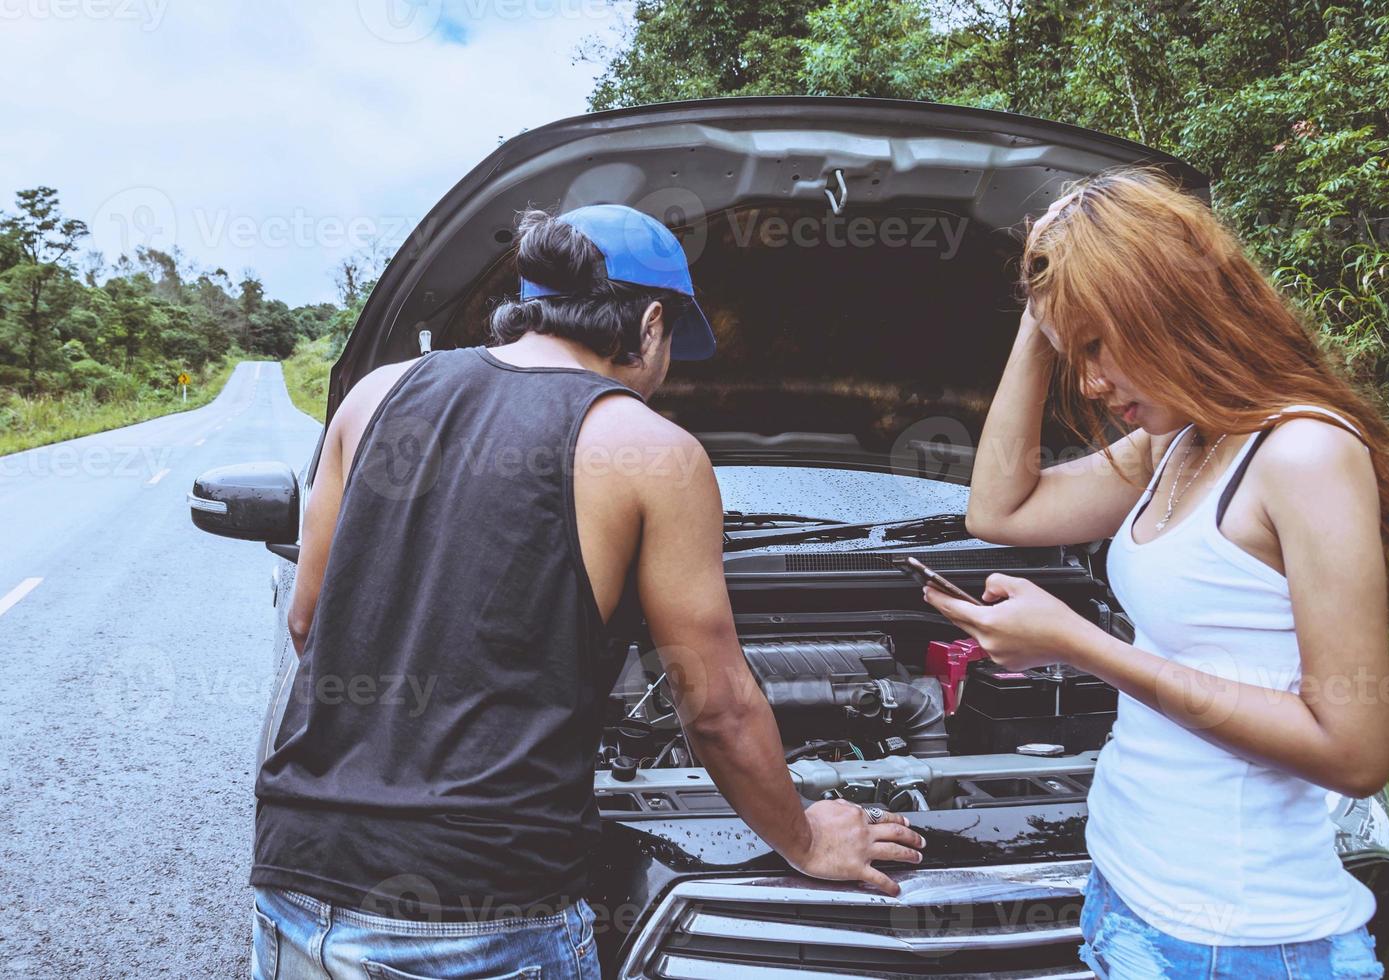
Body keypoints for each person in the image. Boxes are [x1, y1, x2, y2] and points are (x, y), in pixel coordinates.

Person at [249, 204, 924, 980]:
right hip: (486, 914)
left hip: (299, 876)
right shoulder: (649, 449)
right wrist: (804, 839)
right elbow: (715, 705)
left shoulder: (375, 396)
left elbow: (309, 622)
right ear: (651, 323)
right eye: (672, 345)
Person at [926, 168, 1389, 979]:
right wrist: (1040, 310)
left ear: (1164, 302)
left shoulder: (1303, 452)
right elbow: (1000, 509)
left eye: (1096, 344)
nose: (1087, 383)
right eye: (1071, 351)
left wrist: (1080, 646)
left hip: (1248, 941)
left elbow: (1355, 750)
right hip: (1128, 895)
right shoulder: (1180, 443)